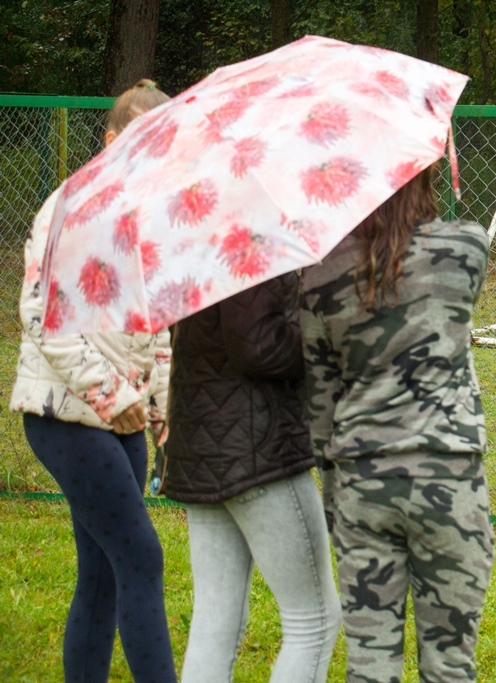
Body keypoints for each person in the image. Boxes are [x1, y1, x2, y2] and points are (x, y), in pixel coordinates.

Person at [10, 79, 177, 683]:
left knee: (103, 572)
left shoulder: (140, 219)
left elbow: (153, 324)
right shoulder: (68, 208)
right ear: (109, 140)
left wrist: (159, 409)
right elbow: (38, 315)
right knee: (141, 556)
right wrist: (116, 397)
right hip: (64, 417)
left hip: (121, 419)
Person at [301, 164, 495, 683]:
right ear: (422, 176)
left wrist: (332, 497)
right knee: (450, 663)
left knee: (369, 663)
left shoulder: (319, 277)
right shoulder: (465, 249)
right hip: (449, 478)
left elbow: (320, 405)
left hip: (362, 481)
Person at [160, 272, 342, 681]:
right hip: (258, 450)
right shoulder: (248, 242)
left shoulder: (200, 244)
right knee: (314, 618)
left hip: (206, 446)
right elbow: (258, 347)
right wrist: (322, 330)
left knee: (216, 617)